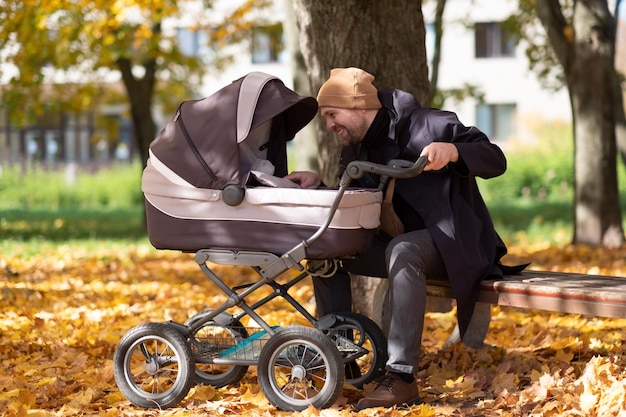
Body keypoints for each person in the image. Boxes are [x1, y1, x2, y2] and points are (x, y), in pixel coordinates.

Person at [285, 67, 520, 410]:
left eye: (332, 115)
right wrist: (319, 186)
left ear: (358, 105)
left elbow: (495, 158)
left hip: (453, 243)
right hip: (399, 246)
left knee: (403, 249)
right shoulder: (357, 148)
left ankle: (401, 377)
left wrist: (453, 151)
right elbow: (353, 203)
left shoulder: (429, 125)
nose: (329, 125)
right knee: (325, 251)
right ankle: (338, 358)